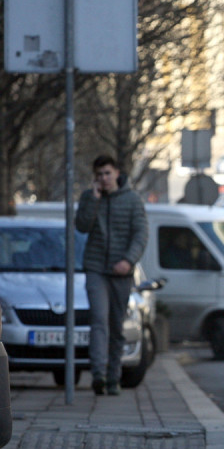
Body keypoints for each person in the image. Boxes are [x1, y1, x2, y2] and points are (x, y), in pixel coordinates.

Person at [75, 155, 148, 396]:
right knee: (98, 320)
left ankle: (114, 377)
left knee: (116, 326)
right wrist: (94, 200)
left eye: (107, 173)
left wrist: (128, 261)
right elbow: (82, 226)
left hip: (121, 272)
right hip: (96, 268)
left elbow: (141, 234)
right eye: (99, 175)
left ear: (116, 172)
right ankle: (98, 374)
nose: (103, 179)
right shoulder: (89, 197)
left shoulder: (132, 200)